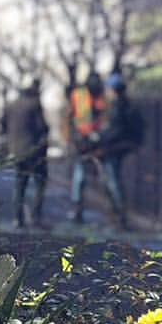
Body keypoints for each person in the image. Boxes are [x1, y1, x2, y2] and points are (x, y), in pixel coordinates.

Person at [96, 72, 144, 229]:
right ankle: (117, 216)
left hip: (114, 148)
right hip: (118, 147)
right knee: (112, 181)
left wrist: (100, 137)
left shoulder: (119, 106)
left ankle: (120, 216)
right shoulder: (123, 104)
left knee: (113, 182)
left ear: (113, 89)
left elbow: (115, 129)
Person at [8, 80, 50, 226]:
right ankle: (36, 216)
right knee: (40, 182)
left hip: (16, 152)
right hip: (34, 151)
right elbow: (42, 127)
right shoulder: (34, 104)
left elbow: (3, 124)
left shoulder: (12, 105)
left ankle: (17, 218)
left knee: (19, 184)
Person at [68, 70, 106, 224]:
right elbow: (71, 117)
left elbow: (103, 116)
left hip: (97, 141)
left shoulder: (100, 96)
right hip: (82, 142)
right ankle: (77, 209)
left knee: (98, 175)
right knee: (80, 176)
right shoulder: (79, 95)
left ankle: (112, 210)